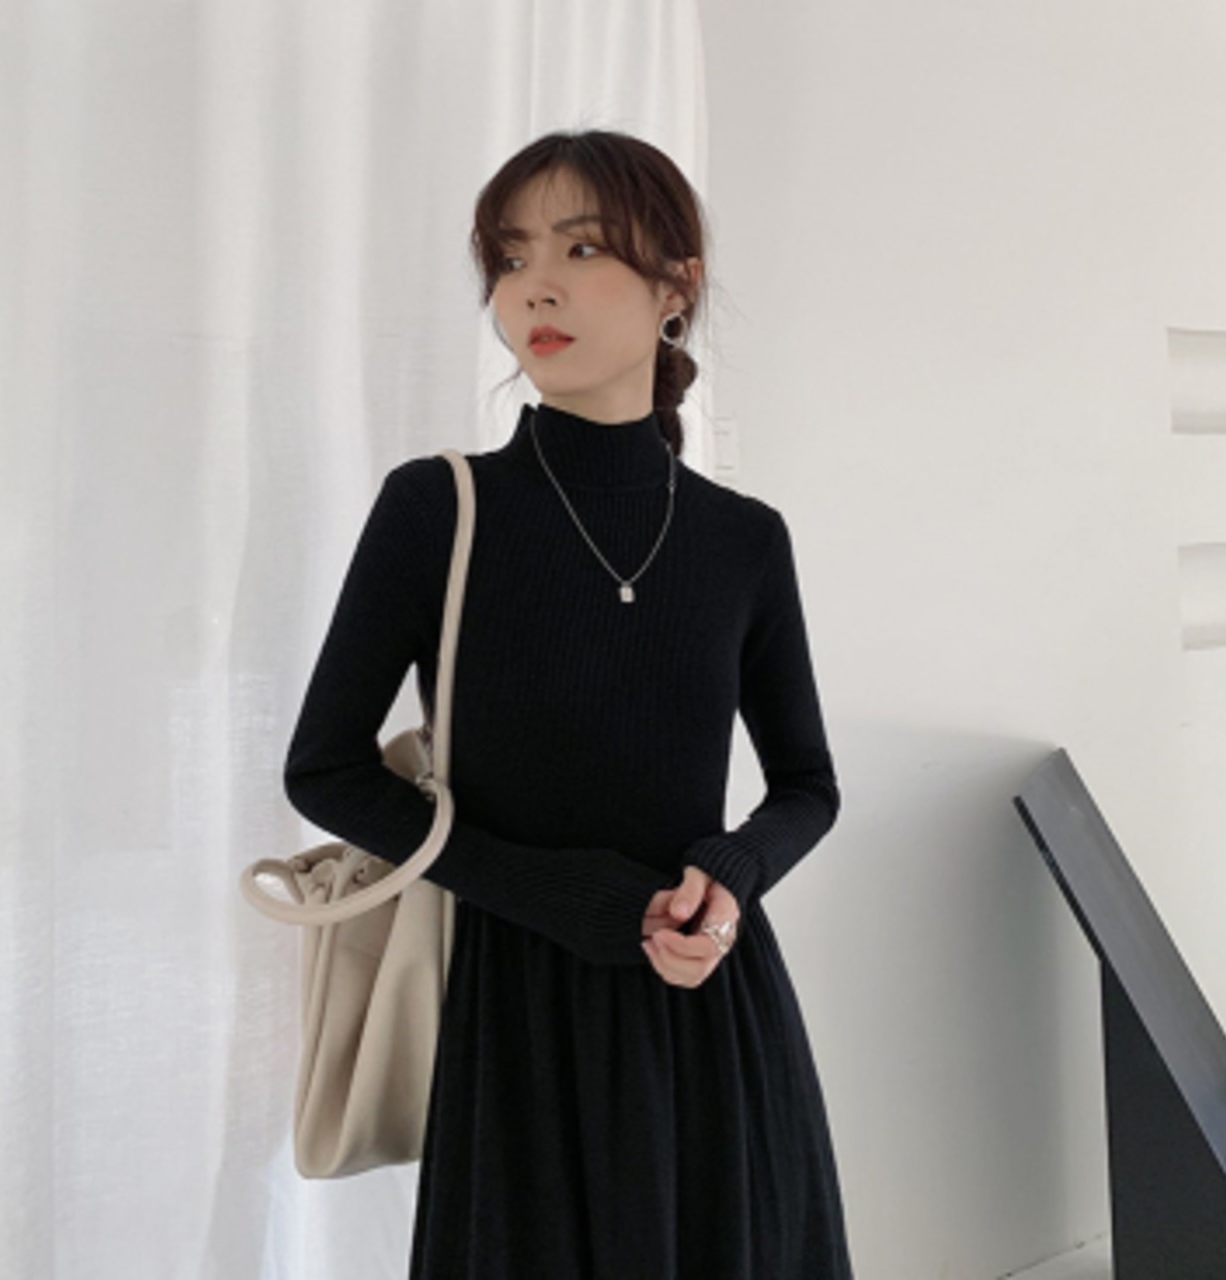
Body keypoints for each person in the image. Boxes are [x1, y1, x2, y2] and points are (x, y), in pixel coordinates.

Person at [283, 128, 854, 1279]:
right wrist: (554, 892)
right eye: (508, 257)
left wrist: (727, 879)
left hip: (707, 1000)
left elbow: (806, 786)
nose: (532, 285)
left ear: (675, 285)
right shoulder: (438, 508)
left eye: (580, 247)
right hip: (515, 1009)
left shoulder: (742, 540)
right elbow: (323, 769)